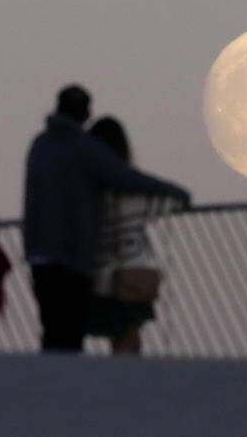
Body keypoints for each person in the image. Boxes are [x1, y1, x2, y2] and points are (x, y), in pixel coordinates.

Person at [23, 85, 189, 353]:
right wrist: (175, 193)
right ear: (83, 111)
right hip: (74, 258)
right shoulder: (84, 148)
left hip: (40, 251)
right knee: (73, 331)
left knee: (53, 330)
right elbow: (124, 177)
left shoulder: (40, 146)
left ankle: (53, 386)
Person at [86, 116, 163, 354]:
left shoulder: (86, 188)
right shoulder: (134, 186)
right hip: (132, 271)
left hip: (95, 271)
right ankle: (130, 382)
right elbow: (156, 205)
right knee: (128, 332)